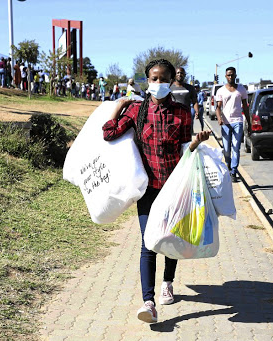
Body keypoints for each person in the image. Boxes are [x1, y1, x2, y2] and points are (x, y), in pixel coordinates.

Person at [102, 59, 210, 324]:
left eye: (163, 79)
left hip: (175, 186)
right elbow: (109, 134)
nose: (157, 83)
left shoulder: (182, 113)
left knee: (171, 239)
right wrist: (116, 110)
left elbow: (186, 150)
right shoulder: (137, 111)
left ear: (172, 80)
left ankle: (168, 283)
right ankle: (148, 302)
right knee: (148, 242)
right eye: (153, 78)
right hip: (149, 189)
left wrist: (196, 143)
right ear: (147, 80)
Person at [215, 66, 249, 183]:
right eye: (228, 75)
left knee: (236, 147)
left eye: (232, 75)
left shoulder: (241, 89)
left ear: (235, 75)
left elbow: (245, 106)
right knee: (226, 148)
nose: (230, 77)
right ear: (226, 76)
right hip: (225, 123)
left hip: (238, 121)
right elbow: (218, 107)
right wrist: (219, 118)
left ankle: (234, 171)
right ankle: (228, 166)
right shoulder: (221, 91)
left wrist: (248, 122)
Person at [170, 67, 199, 133]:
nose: (180, 74)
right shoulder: (169, 88)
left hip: (186, 117)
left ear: (185, 75)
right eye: (178, 73)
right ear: (175, 75)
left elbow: (194, 101)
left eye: (182, 73)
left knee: (186, 139)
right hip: (173, 118)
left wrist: (197, 111)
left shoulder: (190, 88)